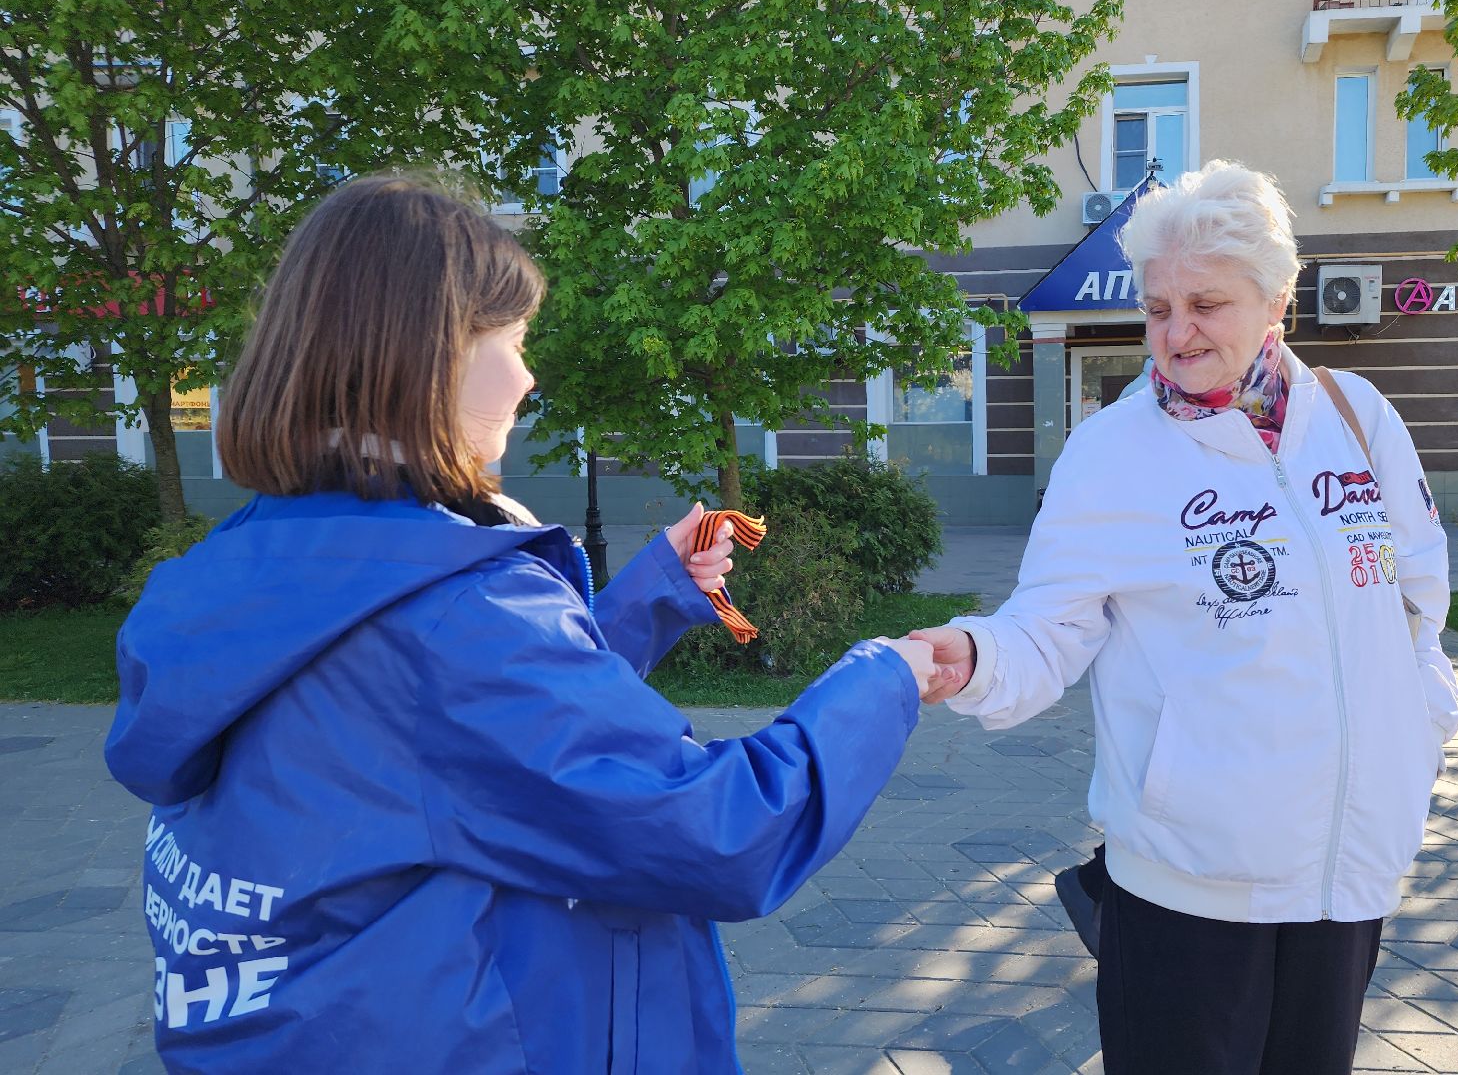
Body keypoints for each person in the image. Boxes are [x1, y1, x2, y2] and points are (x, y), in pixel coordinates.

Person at [105, 173, 937, 1073]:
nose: (527, 373)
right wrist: (887, 678)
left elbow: (462, 745)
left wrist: (652, 590)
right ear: (422, 354)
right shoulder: (455, 616)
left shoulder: (263, 559)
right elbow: (718, 832)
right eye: (510, 338)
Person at [911, 160, 1458, 1075]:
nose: (1177, 332)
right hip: (1187, 888)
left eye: (1206, 304)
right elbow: (1048, 626)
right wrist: (976, 656)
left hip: (1349, 873)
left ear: (1277, 299)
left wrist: (1422, 725)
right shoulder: (1113, 453)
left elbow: (1416, 591)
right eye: (1159, 309)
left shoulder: (1357, 415)